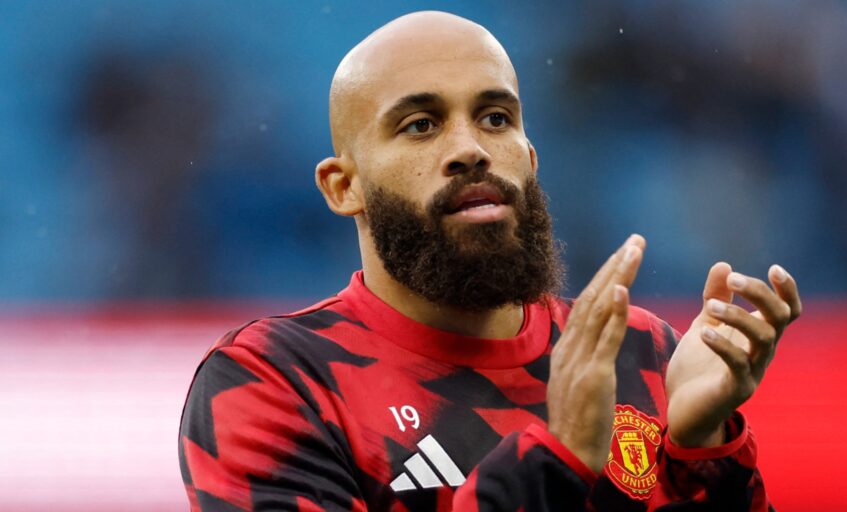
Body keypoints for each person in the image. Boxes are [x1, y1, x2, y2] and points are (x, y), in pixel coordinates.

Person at [178, 11, 802, 512]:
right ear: (345, 186)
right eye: (420, 125)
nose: (471, 149)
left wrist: (704, 452)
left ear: (529, 159)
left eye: (496, 118)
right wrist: (556, 457)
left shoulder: (642, 354)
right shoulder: (278, 383)